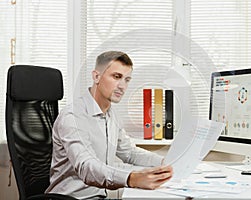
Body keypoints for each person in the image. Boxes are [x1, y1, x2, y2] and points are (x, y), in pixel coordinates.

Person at [45, 51, 173, 199]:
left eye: (127, 79)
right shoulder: (73, 117)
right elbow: (86, 167)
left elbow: (129, 153)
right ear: (96, 76)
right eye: (116, 77)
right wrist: (131, 178)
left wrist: (165, 162)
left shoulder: (111, 114)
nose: (122, 86)